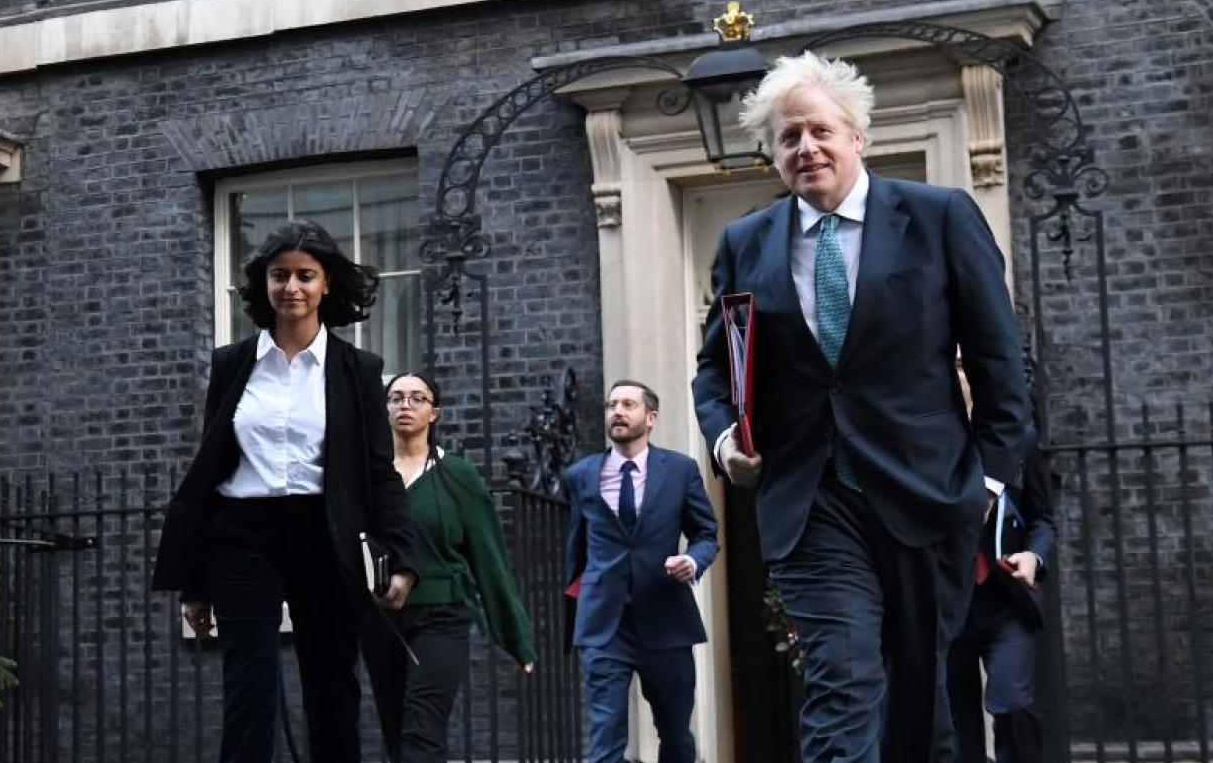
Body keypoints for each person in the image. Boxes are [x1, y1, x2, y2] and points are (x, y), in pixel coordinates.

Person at [691, 52, 1029, 762]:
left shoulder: (939, 218)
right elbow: (716, 369)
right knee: (842, 679)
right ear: (773, 154)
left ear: (857, 136)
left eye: (820, 131)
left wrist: (990, 482)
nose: (806, 148)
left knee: (920, 700)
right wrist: (724, 443)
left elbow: (999, 362)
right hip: (810, 499)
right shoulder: (745, 242)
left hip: (924, 493)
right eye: (789, 137)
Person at [151, 219, 418, 763]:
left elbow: (380, 471)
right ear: (265, 284)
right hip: (241, 536)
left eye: (305, 275)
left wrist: (402, 556)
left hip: (324, 534)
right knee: (249, 686)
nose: (291, 287)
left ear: (326, 284)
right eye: (279, 275)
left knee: (332, 685)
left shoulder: (358, 369)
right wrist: (195, 583)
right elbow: (209, 470)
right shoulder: (232, 364)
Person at [360, 371, 537, 763]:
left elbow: (490, 559)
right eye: (396, 398)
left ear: (434, 412)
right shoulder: (369, 476)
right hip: (381, 619)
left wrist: (516, 636)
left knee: (422, 727)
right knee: (395, 730)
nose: (405, 405)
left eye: (417, 398)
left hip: (441, 615)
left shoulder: (457, 476)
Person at [563, 380, 720, 763]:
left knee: (675, 734)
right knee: (605, 738)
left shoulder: (680, 471)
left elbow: (706, 534)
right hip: (605, 624)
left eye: (628, 405)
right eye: (612, 405)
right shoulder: (581, 475)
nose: (617, 411)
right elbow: (576, 548)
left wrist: (692, 561)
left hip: (666, 618)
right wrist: (576, 610)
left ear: (651, 418)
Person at [947, 368, 1056, 763]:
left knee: (1013, 704)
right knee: (956, 727)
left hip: (1007, 598)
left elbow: (1042, 518)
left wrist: (1034, 556)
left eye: (965, 364)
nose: (959, 374)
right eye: (952, 364)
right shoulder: (927, 449)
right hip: (948, 603)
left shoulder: (1019, 440)